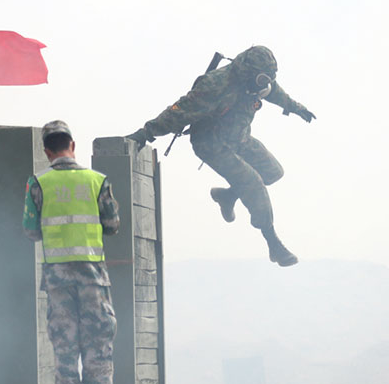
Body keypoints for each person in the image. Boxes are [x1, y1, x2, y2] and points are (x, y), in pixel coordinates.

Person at [125, 45, 315, 267]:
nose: (264, 85)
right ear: (248, 72)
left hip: (239, 139)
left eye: (268, 79)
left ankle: (227, 196)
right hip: (211, 142)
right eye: (261, 79)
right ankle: (273, 243)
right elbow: (178, 112)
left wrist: (297, 108)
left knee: (273, 172)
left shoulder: (258, 83)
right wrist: (144, 134)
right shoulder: (216, 85)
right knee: (252, 182)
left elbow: (276, 93)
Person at [23, 120, 120, 384]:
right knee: (98, 341)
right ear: (73, 145)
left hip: (57, 277)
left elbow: (30, 230)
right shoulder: (97, 180)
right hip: (93, 275)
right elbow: (113, 224)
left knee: (64, 345)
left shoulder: (37, 183)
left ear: (46, 150)